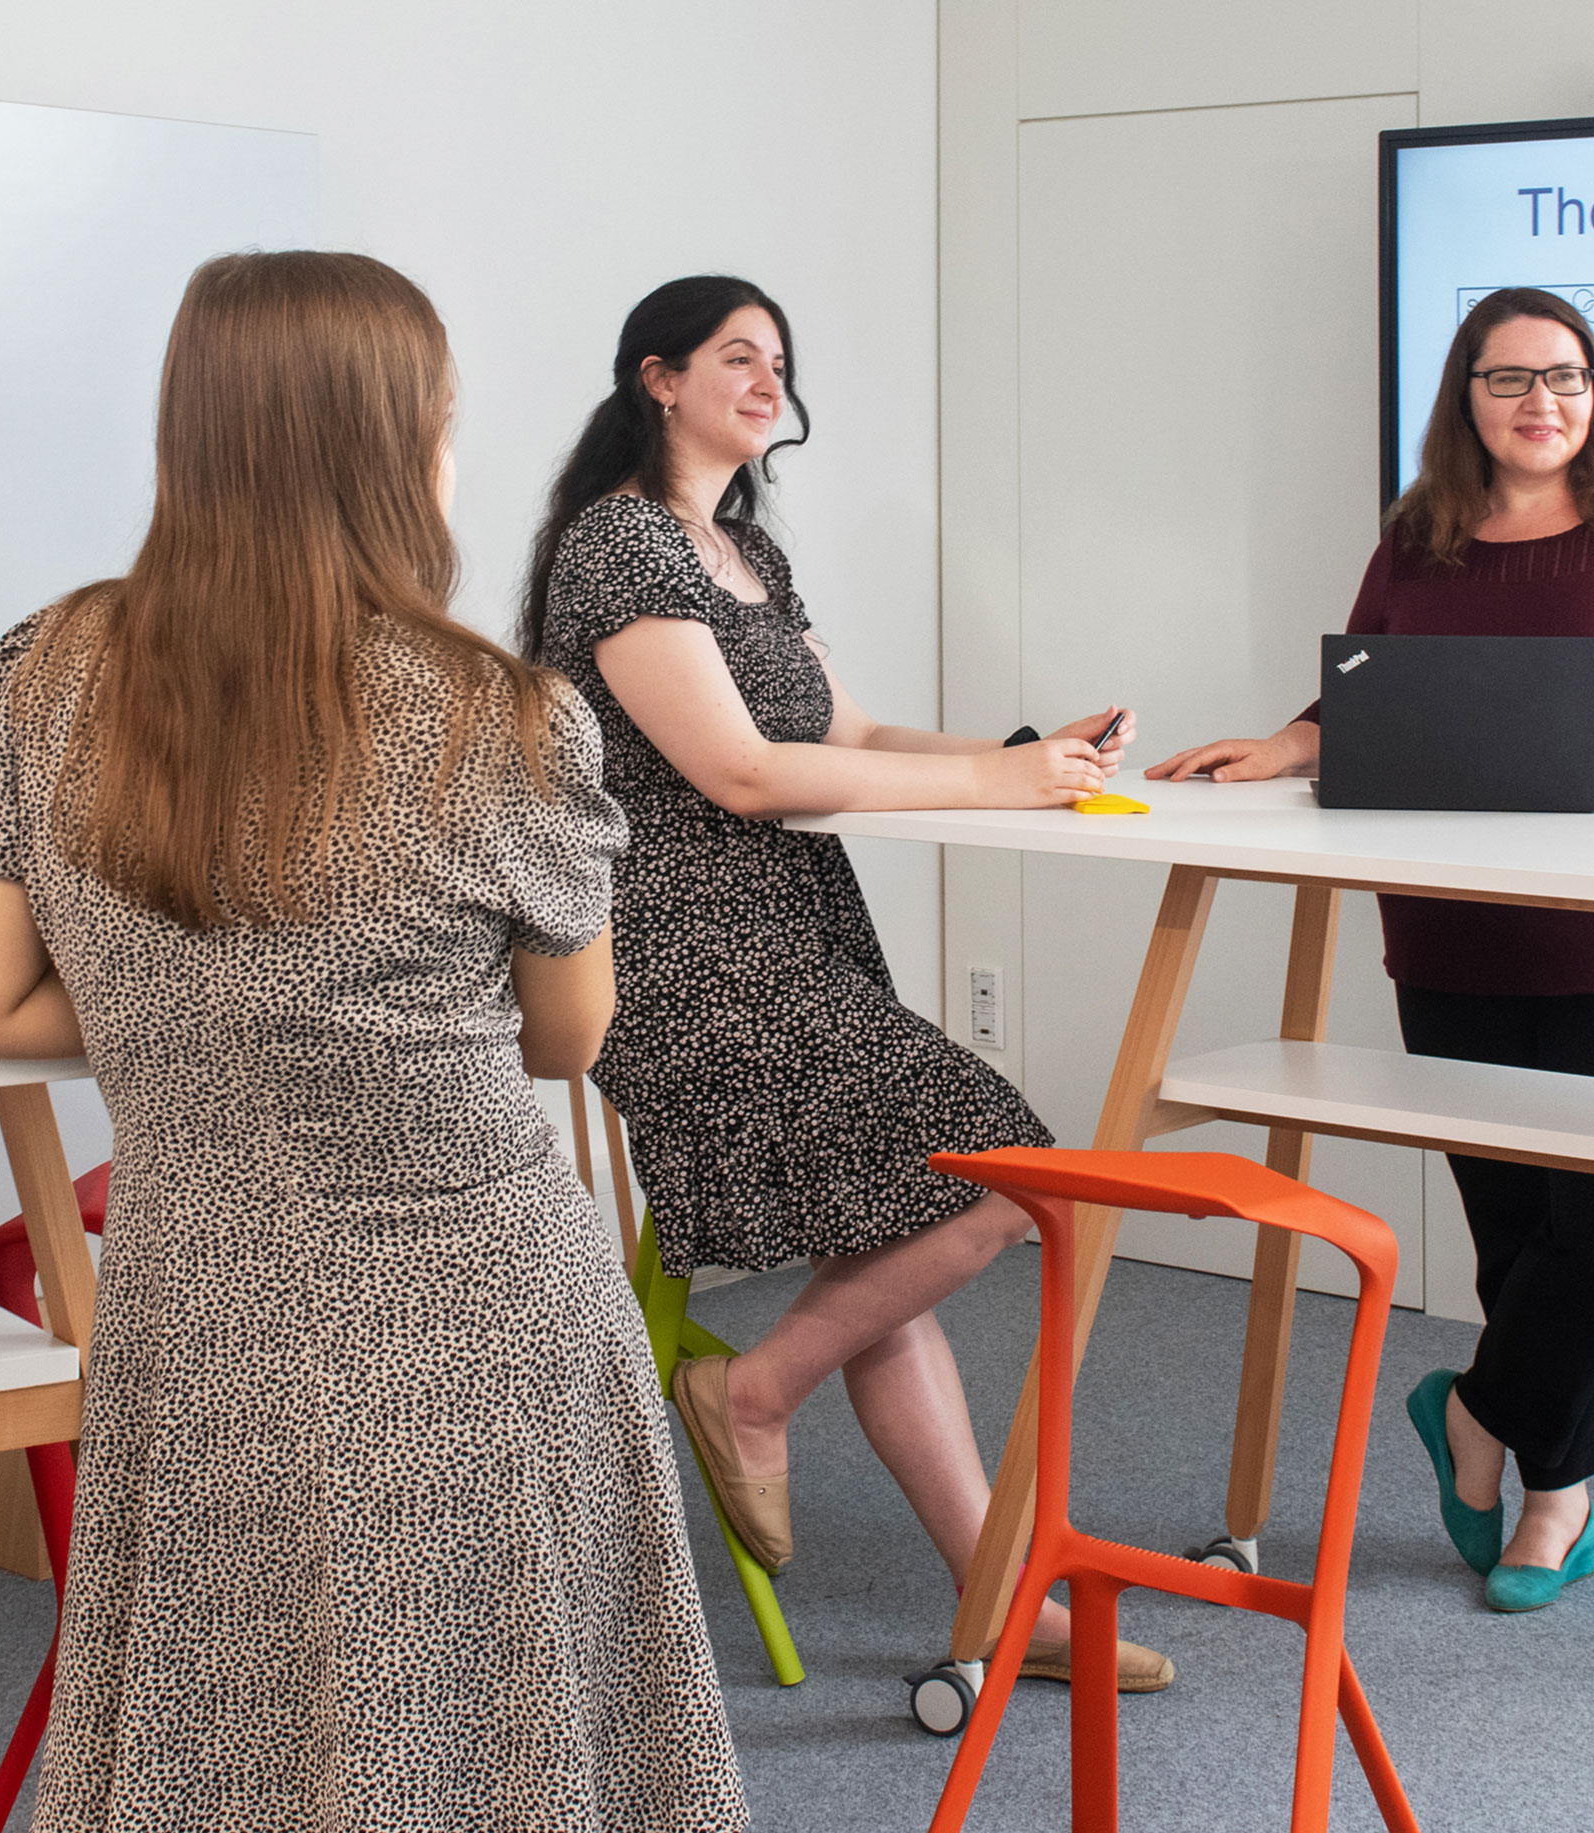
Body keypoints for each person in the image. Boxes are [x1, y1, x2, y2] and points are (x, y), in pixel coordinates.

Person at [0, 250, 747, 1829]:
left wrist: (199, 1017)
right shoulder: (504, 715)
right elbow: (570, 1039)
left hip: (203, 1309)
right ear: (400, 444)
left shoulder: (43, 672)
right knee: (509, 1754)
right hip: (483, 1329)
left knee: (225, 1738)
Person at [1152, 286, 1594, 1613]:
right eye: (1513, 379)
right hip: (1454, 929)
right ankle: (1554, 1491)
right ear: (1464, 397)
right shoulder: (1423, 539)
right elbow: (1361, 684)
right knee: (1515, 1227)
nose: (1545, 404)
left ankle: (1475, 1412)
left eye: (1568, 378)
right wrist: (1284, 746)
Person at [521, 274, 1170, 1690]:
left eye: (780, 361)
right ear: (658, 379)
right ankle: (748, 1390)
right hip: (684, 958)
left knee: (882, 1257)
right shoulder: (621, 547)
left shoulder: (741, 550)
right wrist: (1003, 785)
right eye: (735, 357)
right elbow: (740, 770)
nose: (768, 382)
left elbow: (850, 727)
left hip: (791, 934)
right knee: (1012, 1174)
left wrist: (1021, 756)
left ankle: (999, 1602)